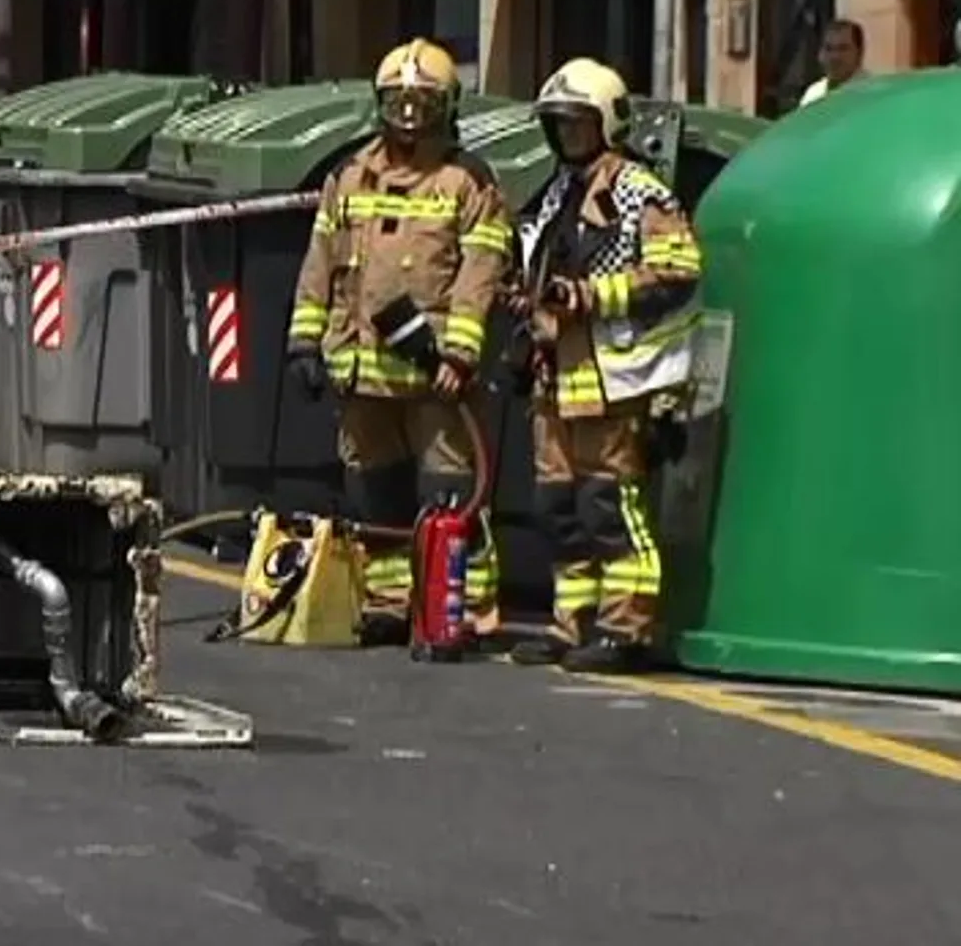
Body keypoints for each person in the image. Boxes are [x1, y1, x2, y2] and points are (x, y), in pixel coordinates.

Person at [284, 38, 512, 647]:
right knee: (374, 492)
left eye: (423, 102)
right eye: (398, 101)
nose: (409, 114)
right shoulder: (349, 176)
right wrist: (304, 346)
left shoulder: (469, 183)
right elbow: (319, 268)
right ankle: (388, 600)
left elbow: (480, 273)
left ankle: (463, 608)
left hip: (435, 375)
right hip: (361, 371)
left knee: (452, 493)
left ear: (447, 107)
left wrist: (461, 353)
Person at [505, 58, 703, 674]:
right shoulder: (557, 190)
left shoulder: (640, 191)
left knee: (608, 505)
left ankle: (627, 629)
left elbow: (678, 271)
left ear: (608, 123)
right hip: (554, 377)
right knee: (557, 507)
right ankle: (576, 624)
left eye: (578, 124)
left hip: (613, 377)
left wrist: (592, 296)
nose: (567, 136)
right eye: (559, 125)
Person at [799, 19, 866, 107]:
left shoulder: (870, 92)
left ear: (859, 52)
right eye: (828, 48)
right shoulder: (813, 95)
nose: (834, 57)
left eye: (843, 48)